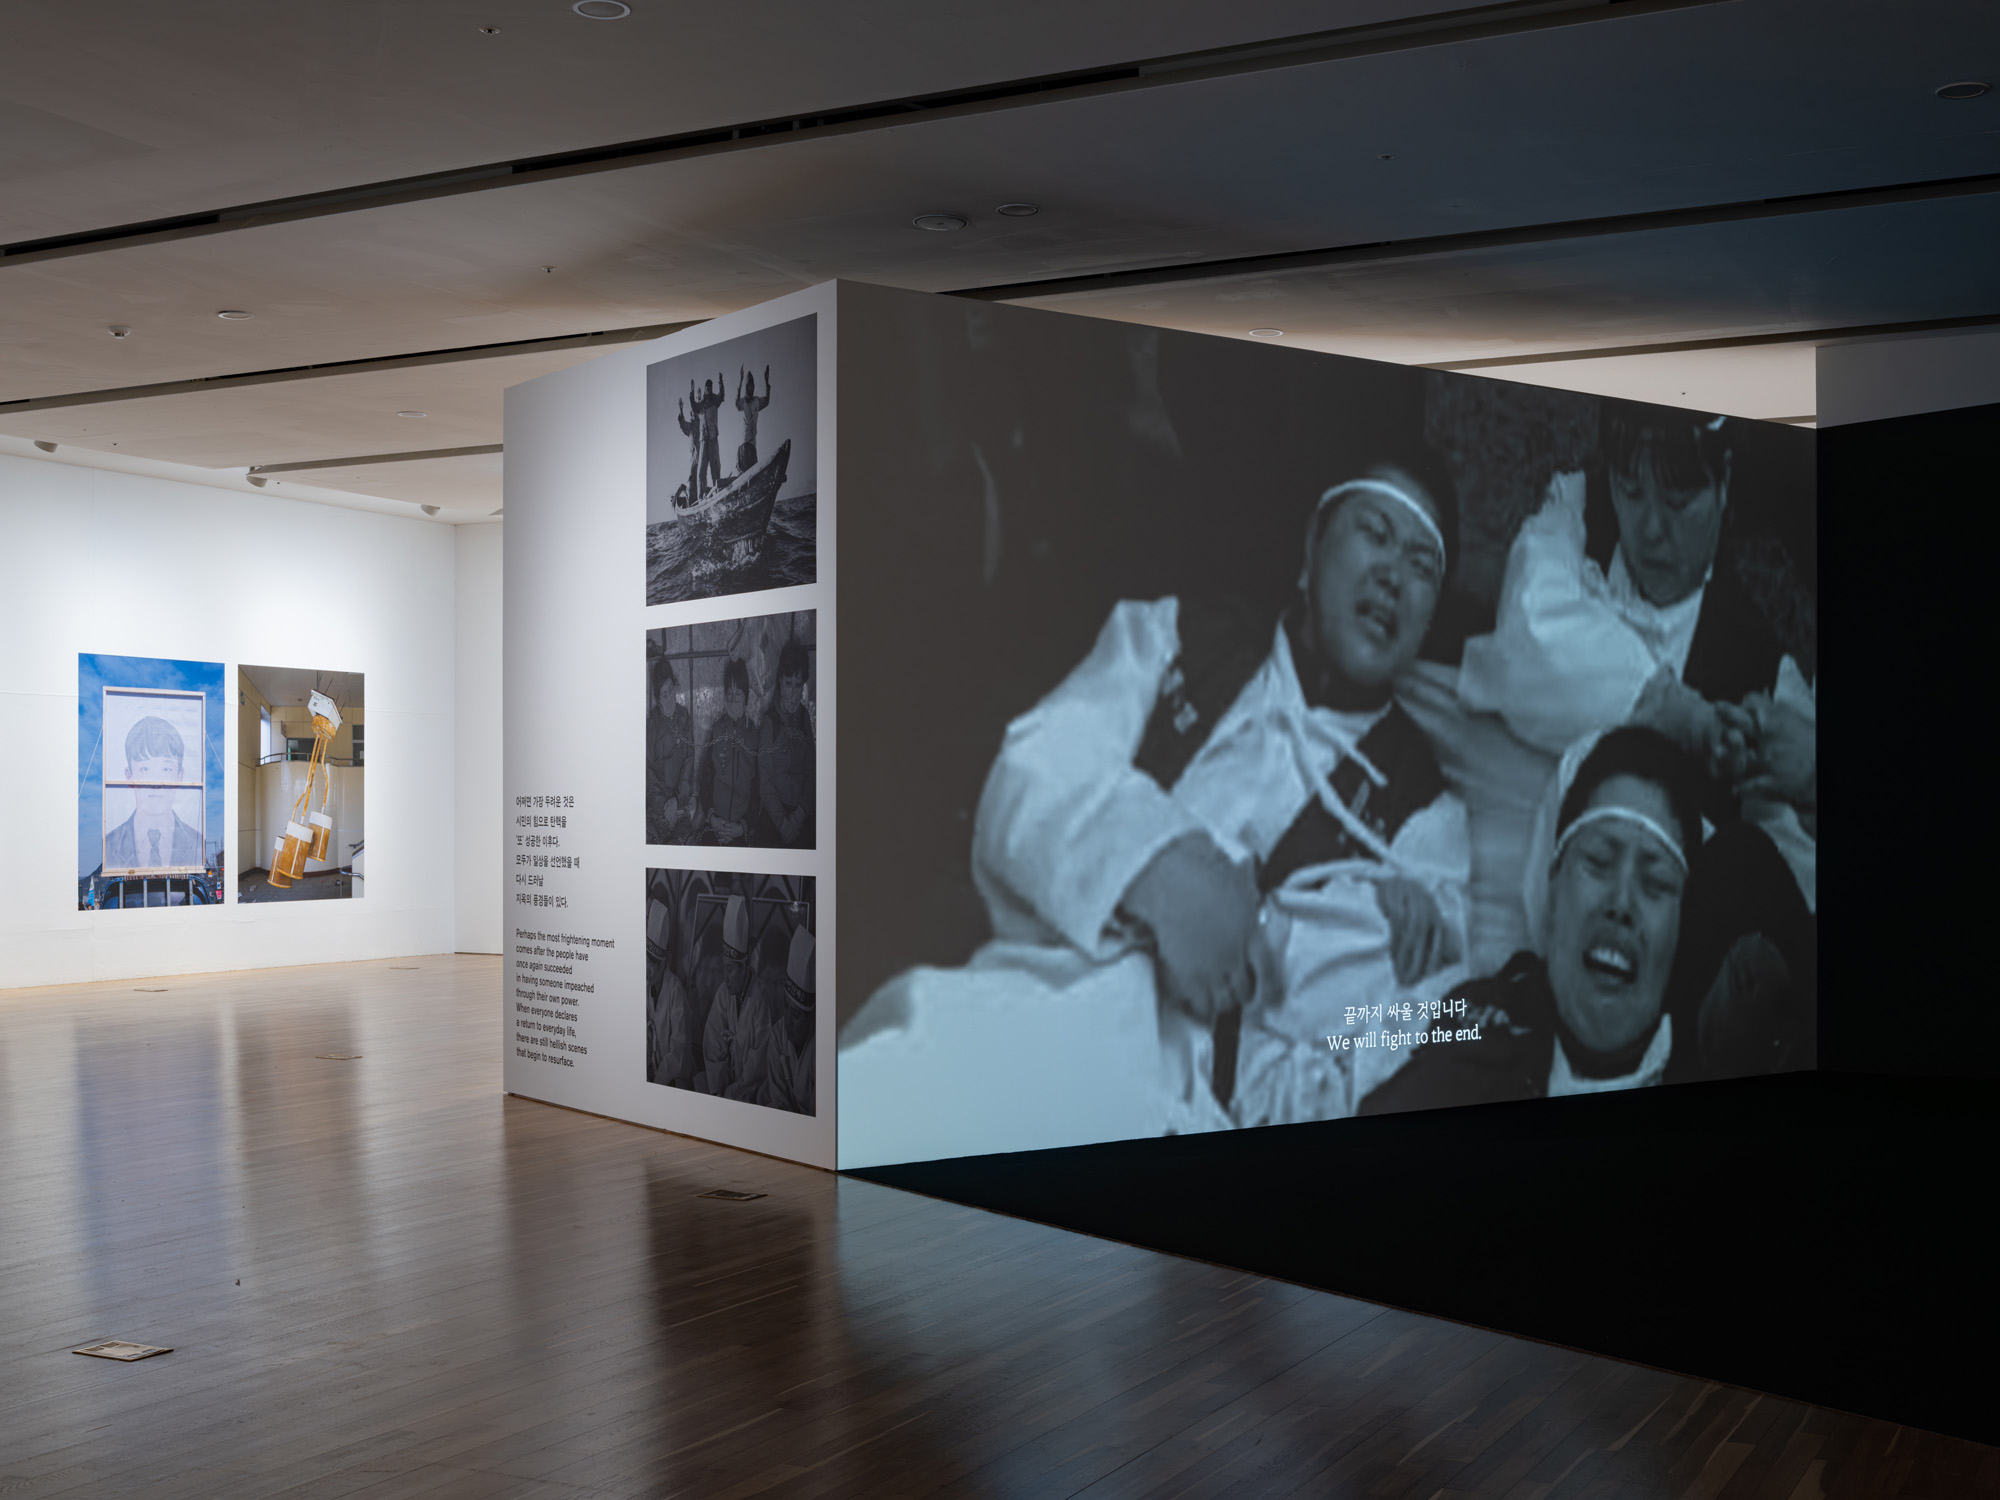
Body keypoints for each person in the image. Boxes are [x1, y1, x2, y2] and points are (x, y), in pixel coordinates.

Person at [839, 455, 1473, 1160]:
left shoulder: (1427, 817)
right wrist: (1157, 869)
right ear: (1312, 548)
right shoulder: (1178, 641)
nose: (1393, 574)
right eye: (1374, 534)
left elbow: (1413, 1024)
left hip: (1222, 1106)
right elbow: (1036, 765)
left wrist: (1300, 942)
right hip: (1059, 1005)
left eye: (1422, 564)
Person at [1457, 410, 1816, 908]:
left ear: (1724, 482)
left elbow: (1791, 888)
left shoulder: (1762, 676)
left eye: (1677, 502)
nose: (1650, 528)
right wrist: (1683, 718)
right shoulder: (1576, 516)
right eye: (1630, 490)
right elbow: (1528, 631)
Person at [104, 716, 203, 870]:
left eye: (166, 769)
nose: (156, 783)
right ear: (129, 776)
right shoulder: (109, 845)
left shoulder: (197, 842)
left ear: (180, 776)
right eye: (145, 769)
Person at [745, 924, 816, 1114]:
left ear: (811, 1018)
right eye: (786, 1008)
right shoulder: (778, 1035)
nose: (788, 1022)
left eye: (796, 1015)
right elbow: (778, 1099)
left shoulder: (818, 1048)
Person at [701, 895, 767, 1099]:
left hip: (751, 1096)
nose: (725, 977)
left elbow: (758, 1063)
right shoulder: (723, 993)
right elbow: (713, 1044)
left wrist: (735, 1091)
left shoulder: (760, 999)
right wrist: (719, 1090)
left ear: (744, 967)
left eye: (730, 970)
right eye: (724, 968)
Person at [756, 641, 814, 848]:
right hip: (774, 815)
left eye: (798, 685)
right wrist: (782, 823)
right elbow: (765, 783)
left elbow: (813, 773)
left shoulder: (805, 718)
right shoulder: (769, 722)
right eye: (788, 683)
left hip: (802, 815)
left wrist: (800, 814)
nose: (793, 692)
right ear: (780, 680)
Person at [699, 658, 760, 846]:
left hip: (742, 827)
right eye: (729, 694)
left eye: (738, 695)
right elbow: (705, 781)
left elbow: (758, 790)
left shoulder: (753, 736)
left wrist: (742, 827)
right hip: (715, 823)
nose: (733, 701)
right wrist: (712, 819)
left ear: (746, 698)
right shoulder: (716, 731)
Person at [645, 880, 694, 1089]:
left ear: (663, 963)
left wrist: (657, 1080)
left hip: (673, 1083)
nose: (648, 970)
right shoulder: (646, 988)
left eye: (653, 964)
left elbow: (678, 1053)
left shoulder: (675, 992)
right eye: (646, 961)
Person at [647, 654, 696, 844]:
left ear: (675, 685)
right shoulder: (652, 724)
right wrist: (664, 807)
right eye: (664, 694)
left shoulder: (684, 717)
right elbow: (647, 771)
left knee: (684, 842)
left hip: (680, 805)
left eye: (671, 689)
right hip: (658, 809)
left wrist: (676, 800)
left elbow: (689, 763)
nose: (669, 697)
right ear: (658, 698)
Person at [692, 374, 726, 494]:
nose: (708, 390)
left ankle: (717, 492)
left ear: (711, 388)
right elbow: (694, 407)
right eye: (707, 388)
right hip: (703, 440)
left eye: (710, 387)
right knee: (701, 469)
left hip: (713, 438)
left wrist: (721, 382)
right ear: (705, 389)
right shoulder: (701, 404)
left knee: (715, 467)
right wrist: (691, 393)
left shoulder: (715, 400)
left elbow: (722, 396)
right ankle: (701, 496)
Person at [735, 364, 771, 472]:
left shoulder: (756, 401)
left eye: (752, 385)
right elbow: (737, 404)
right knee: (746, 473)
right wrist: (740, 381)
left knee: (754, 472)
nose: (750, 387)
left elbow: (766, 401)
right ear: (746, 387)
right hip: (744, 444)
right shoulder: (743, 402)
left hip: (752, 444)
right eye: (748, 385)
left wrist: (766, 381)